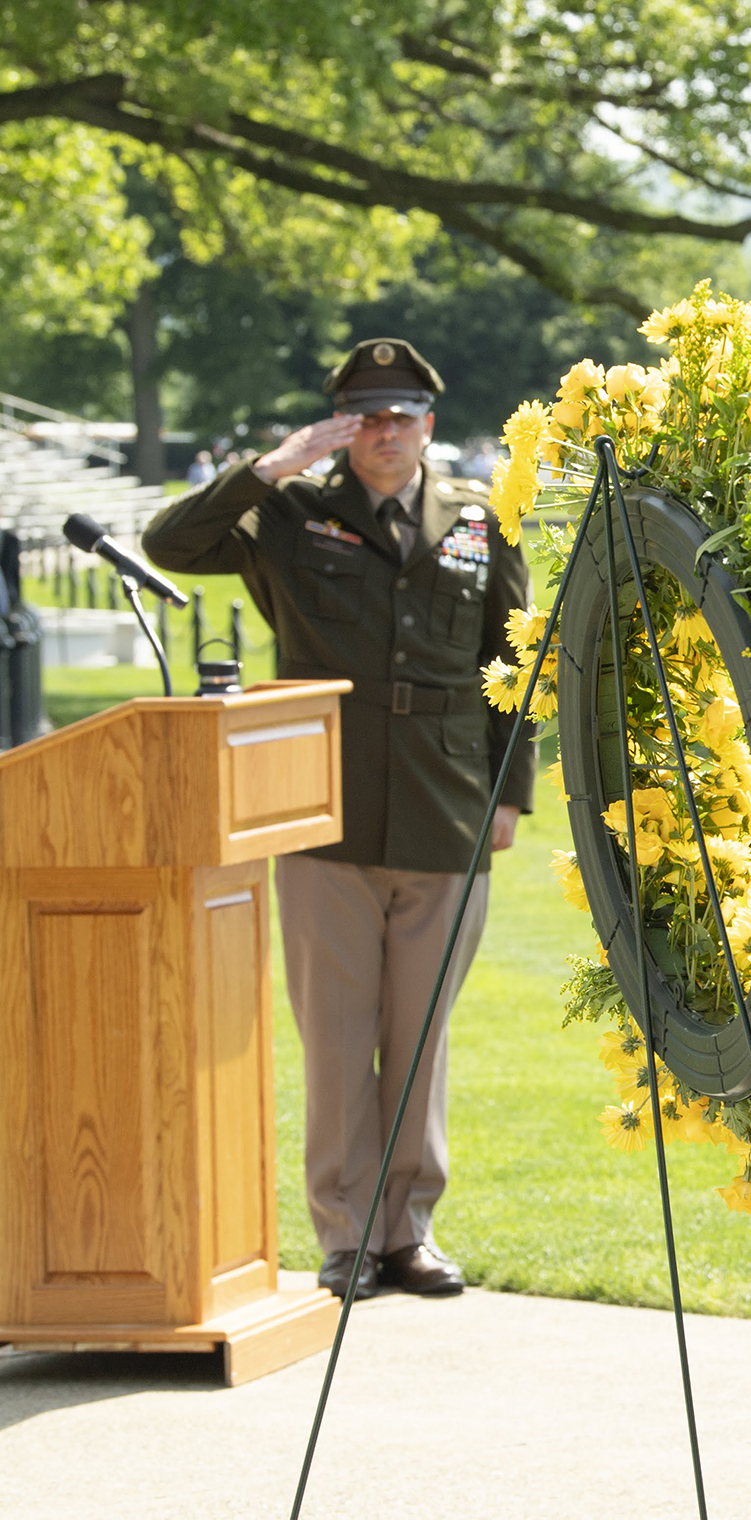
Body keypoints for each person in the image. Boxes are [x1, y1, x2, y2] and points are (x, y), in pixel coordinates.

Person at [144, 338, 534, 1301]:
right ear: (339, 427)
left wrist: (510, 793)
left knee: (418, 1035)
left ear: (428, 425)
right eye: (366, 417)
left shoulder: (481, 521)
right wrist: (271, 466)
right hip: (324, 808)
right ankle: (347, 1236)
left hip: (448, 809)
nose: (386, 432)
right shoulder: (289, 514)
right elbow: (170, 546)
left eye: (402, 415)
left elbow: (511, 668)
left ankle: (409, 1232)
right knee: (334, 1032)